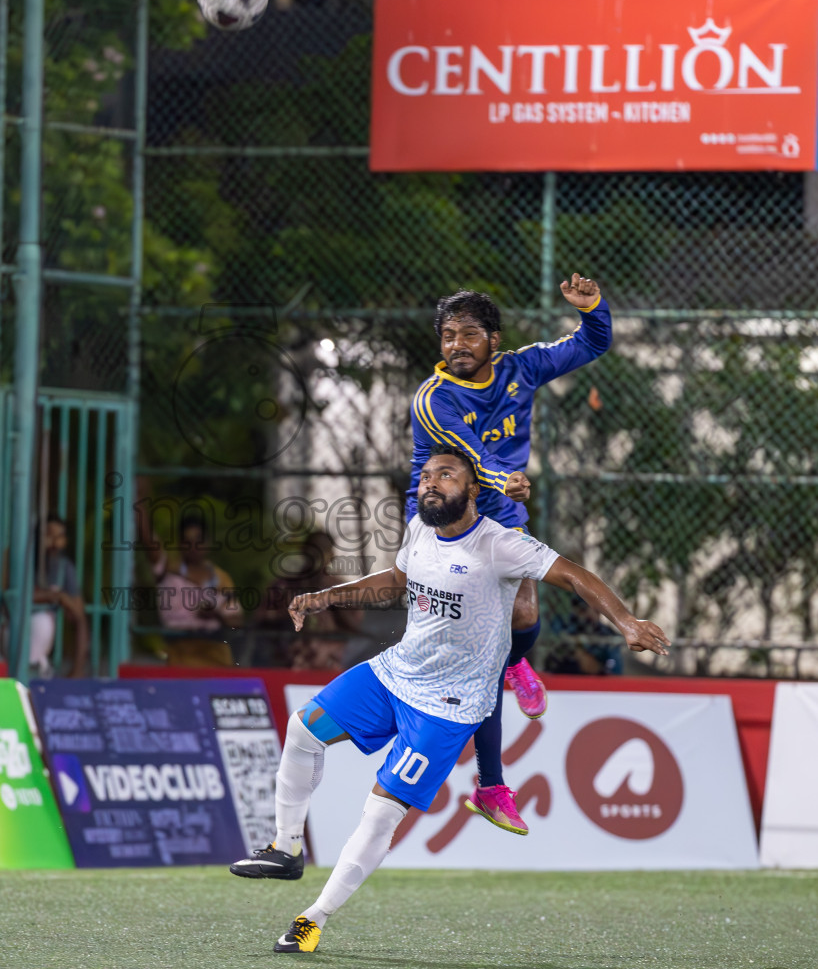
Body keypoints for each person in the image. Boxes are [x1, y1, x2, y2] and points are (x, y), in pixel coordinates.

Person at [230, 446, 668, 954]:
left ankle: (314, 918)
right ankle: (286, 849)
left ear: (473, 490)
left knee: (379, 815)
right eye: (427, 476)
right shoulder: (419, 529)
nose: (431, 483)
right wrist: (329, 596)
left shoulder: (499, 544)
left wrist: (627, 623)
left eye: (446, 475)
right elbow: (395, 581)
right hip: (394, 673)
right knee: (304, 729)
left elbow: (574, 574)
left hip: (447, 706)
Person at [407, 278, 611, 832]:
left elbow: (592, 345)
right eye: (448, 336)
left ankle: (516, 666)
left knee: (522, 623)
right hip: (446, 520)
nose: (456, 345)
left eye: (469, 334)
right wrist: (506, 479)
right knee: (484, 657)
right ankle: (492, 785)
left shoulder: (523, 368)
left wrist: (591, 308)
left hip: (500, 513)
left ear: (493, 339)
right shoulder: (434, 396)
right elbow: (470, 456)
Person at [135, 487, 243, 666]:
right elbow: (147, 538)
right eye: (188, 541)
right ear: (180, 543)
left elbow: (237, 621)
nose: (193, 546)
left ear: (207, 542)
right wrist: (139, 497)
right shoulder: (168, 570)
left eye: (198, 540)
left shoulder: (221, 578)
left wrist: (216, 616)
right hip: (180, 657)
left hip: (216, 658)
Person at [258, 531, 362, 671]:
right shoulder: (283, 586)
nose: (317, 556)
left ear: (331, 556)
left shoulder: (340, 589)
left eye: (323, 551)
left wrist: (329, 599)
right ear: (304, 551)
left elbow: (355, 629)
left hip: (329, 666)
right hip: (288, 665)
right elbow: (262, 623)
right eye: (313, 549)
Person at [30, 514, 90, 678]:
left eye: (60, 536)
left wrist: (77, 670)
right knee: (40, 621)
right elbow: (17, 596)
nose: (55, 542)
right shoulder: (26, 561)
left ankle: (74, 671)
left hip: (42, 653)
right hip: (13, 641)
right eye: (49, 535)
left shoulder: (65, 568)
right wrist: (57, 597)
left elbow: (78, 613)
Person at [544, 596, 625, 676]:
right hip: (564, 675)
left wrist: (596, 666)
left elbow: (614, 669)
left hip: (598, 680)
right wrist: (578, 653)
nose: (589, 615)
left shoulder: (607, 633)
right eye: (582, 610)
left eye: (596, 610)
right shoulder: (564, 626)